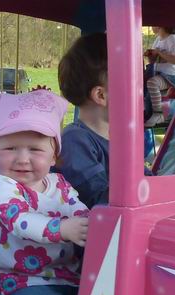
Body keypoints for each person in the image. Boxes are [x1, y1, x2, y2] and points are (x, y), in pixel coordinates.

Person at [0, 90, 90, 295]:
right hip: (16, 281)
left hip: (65, 276)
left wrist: (95, 225)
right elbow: (20, 221)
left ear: (54, 156)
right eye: (10, 148)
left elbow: (79, 210)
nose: (22, 159)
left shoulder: (60, 184)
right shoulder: (3, 186)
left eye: (35, 149)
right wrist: (63, 229)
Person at [57, 32, 109, 209]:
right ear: (101, 95)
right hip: (87, 224)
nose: (141, 93)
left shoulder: (121, 140)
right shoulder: (75, 140)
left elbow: (147, 179)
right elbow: (98, 199)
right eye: (134, 85)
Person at [144, 27, 175, 127]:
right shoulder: (158, 39)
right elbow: (156, 61)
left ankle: (158, 114)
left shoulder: (173, 40)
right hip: (157, 73)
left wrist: (159, 53)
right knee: (148, 94)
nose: (151, 27)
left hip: (169, 76)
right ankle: (149, 114)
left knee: (152, 82)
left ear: (160, 26)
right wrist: (151, 55)